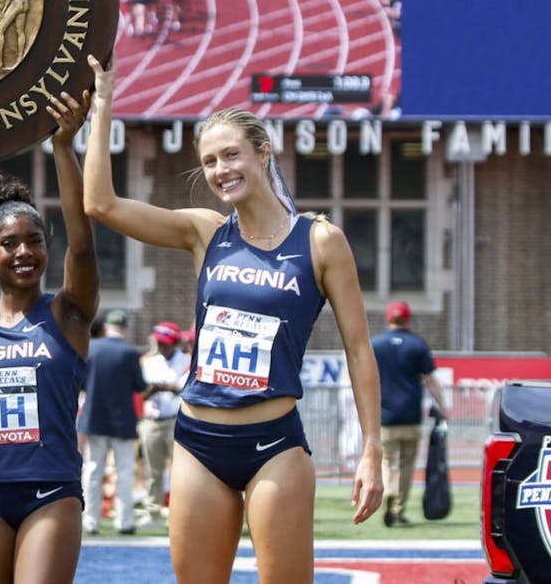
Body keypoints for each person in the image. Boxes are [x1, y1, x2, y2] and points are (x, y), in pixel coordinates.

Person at [83, 55, 383, 584]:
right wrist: (103, 105)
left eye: (232, 155)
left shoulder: (319, 241)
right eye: (211, 161)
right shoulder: (205, 232)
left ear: (263, 153)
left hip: (275, 445)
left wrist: (372, 450)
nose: (221, 170)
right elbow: (100, 204)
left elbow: (359, 350)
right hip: (198, 439)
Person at [0, 89, 97, 584]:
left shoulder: (68, 314)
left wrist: (64, 146)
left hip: (50, 491)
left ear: (47, 248)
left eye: (34, 241)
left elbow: (83, 243)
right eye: (9, 243)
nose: (23, 252)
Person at [371, 300, 447, 527]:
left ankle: (388, 490)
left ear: (388, 318)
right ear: (408, 319)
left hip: (384, 416)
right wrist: (442, 405)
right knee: (406, 464)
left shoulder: (375, 344)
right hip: (411, 415)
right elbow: (430, 379)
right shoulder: (417, 345)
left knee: (386, 460)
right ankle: (398, 508)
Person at [77, 308, 147, 535]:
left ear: (106, 327)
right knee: (125, 472)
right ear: (125, 328)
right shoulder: (129, 352)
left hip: (94, 418)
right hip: (123, 420)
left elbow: (80, 384)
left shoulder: (91, 349)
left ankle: (90, 521)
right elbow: (140, 387)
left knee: (92, 471)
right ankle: (124, 522)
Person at [138, 320, 191, 525]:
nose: (162, 346)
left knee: (181, 470)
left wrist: (167, 387)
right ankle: (153, 511)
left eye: (166, 342)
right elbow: (141, 393)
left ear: (174, 343)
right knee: (153, 469)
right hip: (153, 419)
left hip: (177, 419)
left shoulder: (185, 360)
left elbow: (186, 389)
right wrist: (153, 389)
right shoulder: (149, 361)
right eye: (159, 342)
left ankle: (181, 512)